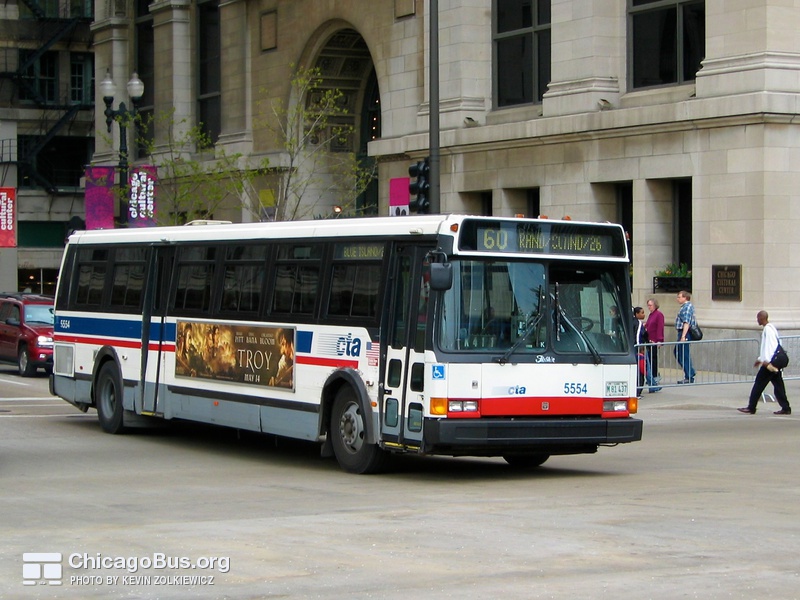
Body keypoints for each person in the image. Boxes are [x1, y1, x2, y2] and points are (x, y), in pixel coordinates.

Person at [738, 311, 792, 415]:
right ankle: (786, 407)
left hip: (769, 364)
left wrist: (765, 361)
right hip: (771, 362)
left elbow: (769, 346)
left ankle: (751, 407)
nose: (757, 320)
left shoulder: (768, 329)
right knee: (778, 386)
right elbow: (776, 344)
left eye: (758, 318)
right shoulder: (772, 328)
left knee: (758, 384)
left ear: (762, 318)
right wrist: (760, 359)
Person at [674, 290, 696, 383]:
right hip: (682, 332)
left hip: (684, 332)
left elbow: (686, 322)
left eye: (679, 297)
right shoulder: (685, 307)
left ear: (685, 298)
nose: (678, 299)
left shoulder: (687, 307)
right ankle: (690, 372)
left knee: (683, 354)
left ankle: (689, 375)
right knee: (679, 352)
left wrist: (683, 336)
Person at [645, 298, 664, 392]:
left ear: (655, 305)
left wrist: (659, 340)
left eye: (650, 305)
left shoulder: (659, 315)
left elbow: (660, 327)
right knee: (650, 359)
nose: (649, 307)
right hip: (649, 340)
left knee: (653, 359)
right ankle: (651, 377)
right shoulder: (651, 315)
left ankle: (654, 376)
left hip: (654, 340)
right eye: (648, 305)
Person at [634, 307, 648, 397]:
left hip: (632, 348)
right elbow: (638, 335)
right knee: (640, 371)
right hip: (637, 349)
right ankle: (638, 392)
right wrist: (640, 348)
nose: (644, 314)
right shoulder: (638, 323)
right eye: (642, 313)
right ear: (636, 314)